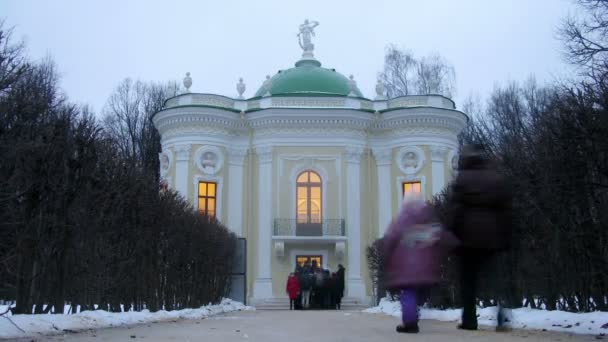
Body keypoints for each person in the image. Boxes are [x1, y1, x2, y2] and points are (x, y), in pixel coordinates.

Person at [447, 144, 513, 332]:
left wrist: (452, 233)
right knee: (497, 280)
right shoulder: (496, 178)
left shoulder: (463, 178)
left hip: (467, 238)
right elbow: (506, 210)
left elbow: (455, 209)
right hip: (493, 237)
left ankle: (469, 320)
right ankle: (502, 318)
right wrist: (506, 236)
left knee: (468, 282)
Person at [383, 191, 458, 333]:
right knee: (417, 294)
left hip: (405, 268)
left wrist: (387, 257)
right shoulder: (428, 220)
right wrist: (454, 244)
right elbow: (441, 235)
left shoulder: (401, 221)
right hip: (426, 268)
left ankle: (410, 323)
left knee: (408, 293)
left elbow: (390, 239)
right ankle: (415, 313)